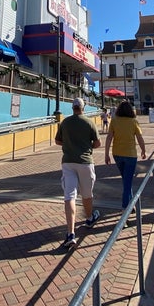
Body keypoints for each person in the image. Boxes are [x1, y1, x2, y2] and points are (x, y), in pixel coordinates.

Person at [55, 97, 102, 249]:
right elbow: (97, 143)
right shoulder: (89, 122)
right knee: (87, 194)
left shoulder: (65, 122)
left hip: (68, 161)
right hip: (85, 161)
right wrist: (86, 146)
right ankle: (89, 218)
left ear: (72, 107)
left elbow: (58, 141)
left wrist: (69, 144)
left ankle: (70, 233)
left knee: (69, 196)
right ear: (83, 107)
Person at [105, 101, 146, 212]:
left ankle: (130, 204)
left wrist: (106, 154)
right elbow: (139, 138)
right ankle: (125, 207)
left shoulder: (114, 121)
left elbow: (109, 138)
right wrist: (143, 150)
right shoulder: (134, 122)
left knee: (126, 180)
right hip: (130, 155)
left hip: (117, 154)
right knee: (127, 181)